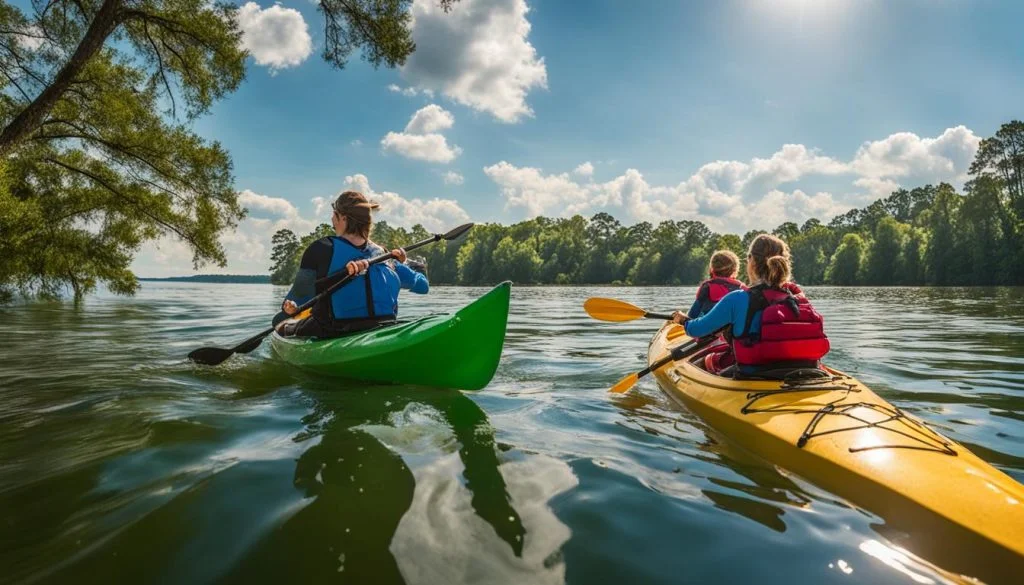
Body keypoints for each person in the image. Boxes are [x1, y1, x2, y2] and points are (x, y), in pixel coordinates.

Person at [275, 190, 429, 338]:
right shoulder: (385, 255)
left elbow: (297, 299)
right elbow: (423, 286)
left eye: (334, 215)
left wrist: (289, 308)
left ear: (342, 218)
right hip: (384, 328)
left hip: (333, 332)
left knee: (279, 323)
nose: (332, 220)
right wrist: (405, 262)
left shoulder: (322, 249)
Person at [672, 234, 830, 378]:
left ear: (751, 262)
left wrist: (683, 321)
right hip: (807, 372)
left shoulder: (738, 299)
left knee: (703, 363)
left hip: (755, 374)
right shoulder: (796, 297)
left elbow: (696, 330)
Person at [687, 250, 745, 318]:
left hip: (709, 326)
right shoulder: (741, 288)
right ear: (735, 270)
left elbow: (692, 315)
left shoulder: (707, 287)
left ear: (712, 269)